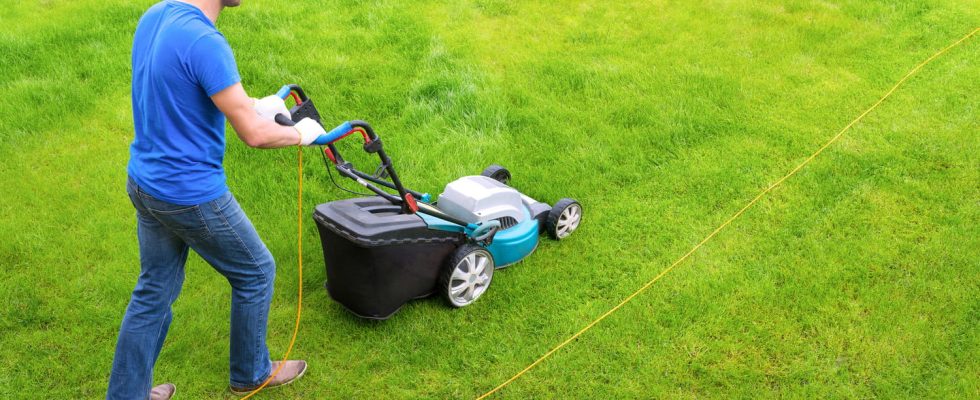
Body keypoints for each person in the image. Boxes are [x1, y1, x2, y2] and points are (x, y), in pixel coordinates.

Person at [108, 1, 332, 398]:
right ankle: (250, 373)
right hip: (189, 194)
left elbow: (179, 98)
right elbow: (255, 135)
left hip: (145, 181)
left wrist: (254, 106)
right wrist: (303, 133)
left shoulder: (156, 16)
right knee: (256, 271)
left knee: (154, 288)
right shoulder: (206, 42)